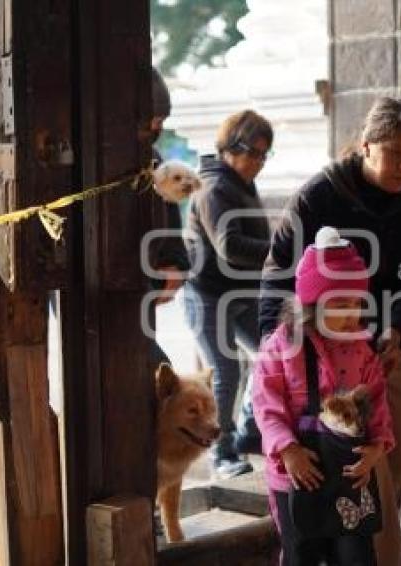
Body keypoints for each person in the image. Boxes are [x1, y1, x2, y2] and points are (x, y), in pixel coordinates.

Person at [259, 97, 401, 565]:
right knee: (311, 447)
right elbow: (279, 270)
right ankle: (329, 539)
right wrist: (275, 340)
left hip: (386, 343)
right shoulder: (321, 195)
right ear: (366, 146)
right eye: (395, 153)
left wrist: (400, 330)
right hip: (316, 345)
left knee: (398, 448)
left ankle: (363, 532)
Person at [254, 226, 395, 566]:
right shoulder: (282, 346)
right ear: (312, 304)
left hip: (348, 476)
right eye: (340, 304)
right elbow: (266, 405)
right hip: (296, 474)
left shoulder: (363, 349)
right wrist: (287, 450)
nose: (351, 314)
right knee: (302, 553)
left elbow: (376, 404)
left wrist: (376, 450)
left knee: (356, 556)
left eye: (357, 303)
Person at [183, 109, 273, 478]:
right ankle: (220, 453)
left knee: (276, 351)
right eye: (252, 153)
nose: (258, 163)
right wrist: (279, 249)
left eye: (264, 156)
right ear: (229, 148)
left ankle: (248, 433)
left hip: (242, 292)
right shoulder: (214, 186)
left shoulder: (240, 182)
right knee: (225, 372)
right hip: (208, 295)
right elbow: (230, 246)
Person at [145, 66, 189, 366]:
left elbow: (171, 224)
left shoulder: (155, 161)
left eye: (162, 121)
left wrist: (176, 267)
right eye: (154, 119)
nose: (157, 127)